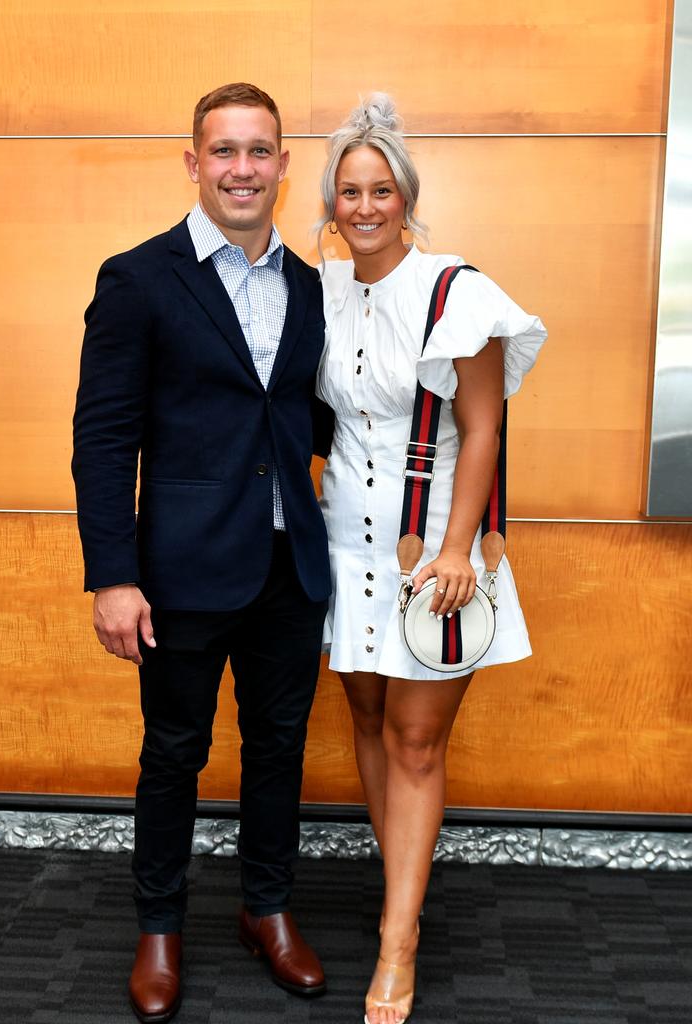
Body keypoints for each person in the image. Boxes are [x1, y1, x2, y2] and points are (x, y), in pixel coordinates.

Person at [72, 82, 333, 1024]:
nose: (242, 169)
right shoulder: (139, 279)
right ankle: (160, 927)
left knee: (278, 750)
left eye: (259, 151)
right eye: (223, 152)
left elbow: (321, 420)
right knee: (173, 753)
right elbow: (103, 440)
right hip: (179, 571)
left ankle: (266, 910)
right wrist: (112, 575)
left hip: (289, 569)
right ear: (193, 162)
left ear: (282, 164)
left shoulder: (309, 286)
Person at [315, 95, 547, 1024]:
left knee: (416, 739)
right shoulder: (322, 290)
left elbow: (484, 423)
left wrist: (457, 550)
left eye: (382, 190)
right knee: (368, 717)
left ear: (407, 197)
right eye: (349, 192)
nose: (365, 206)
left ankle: (396, 944)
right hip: (344, 543)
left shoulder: (458, 291)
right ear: (330, 204)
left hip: (431, 550)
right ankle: (399, 884)